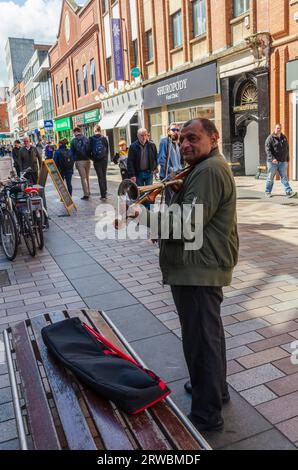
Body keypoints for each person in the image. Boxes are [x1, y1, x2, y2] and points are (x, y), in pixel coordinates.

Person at [131, 118, 239, 431]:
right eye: (182, 140)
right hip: (201, 265)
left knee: (200, 341)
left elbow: (187, 225)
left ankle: (207, 414)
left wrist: (143, 215)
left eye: (193, 138)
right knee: (209, 336)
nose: (185, 144)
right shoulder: (202, 167)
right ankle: (215, 391)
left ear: (214, 138)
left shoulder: (208, 170)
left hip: (198, 269)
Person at [265, 124, 297, 198]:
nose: (278, 129)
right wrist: (272, 158)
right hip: (272, 162)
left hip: (283, 161)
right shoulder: (270, 138)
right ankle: (267, 191)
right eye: (277, 128)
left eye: (280, 128)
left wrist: (287, 158)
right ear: (274, 129)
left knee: (284, 177)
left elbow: (287, 148)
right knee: (270, 178)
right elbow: (267, 150)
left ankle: (288, 191)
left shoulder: (284, 137)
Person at [158, 123, 182, 205]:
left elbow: (178, 161)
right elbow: (161, 159)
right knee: (170, 199)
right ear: (168, 131)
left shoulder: (176, 143)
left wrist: (180, 171)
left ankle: (174, 215)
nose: (175, 132)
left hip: (176, 175)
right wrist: (171, 171)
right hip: (168, 175)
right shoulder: (164, 141)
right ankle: (169, 216)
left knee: (176, 198)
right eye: (173, 130)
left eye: (177, 130)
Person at [89, 124, 109, 200]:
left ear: (94, 130)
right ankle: (105, 191)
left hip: (96, 161)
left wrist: (92, 158)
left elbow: (88, 151)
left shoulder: (91, 139)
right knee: (104, 176)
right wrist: (105, 158)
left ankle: (103, 195)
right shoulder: (104, 138)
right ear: (100, 130)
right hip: (104, 160)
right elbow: (107, 150)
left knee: (100, 177)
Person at [70, 127, 90, 200]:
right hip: (87, 160)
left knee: (83, 178)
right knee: (87, 177)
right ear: (80, 131)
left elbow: (71, 153)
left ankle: (86, 194)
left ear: (75, 132)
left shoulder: (73, 141)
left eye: (73, 132)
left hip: (79, 161)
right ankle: (89, 191)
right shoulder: (86, 139)